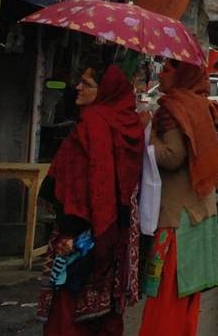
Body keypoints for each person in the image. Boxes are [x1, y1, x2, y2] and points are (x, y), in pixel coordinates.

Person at [38, 64, 144, 335]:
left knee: (69, 314)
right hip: (112, 233)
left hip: (86, 232)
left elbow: (98, 182)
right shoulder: (123, 121)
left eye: (87, 83)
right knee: (102, 316)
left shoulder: (95, 124)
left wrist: (76, 232)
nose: (78, 87)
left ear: (104, 91)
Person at [138, 60, 218, 336]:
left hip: (177, 217)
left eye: (167, 70)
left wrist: (147, 133)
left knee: (167, 292)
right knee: (186, 292)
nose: (161, 75)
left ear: (182, 74)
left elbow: (173, 156)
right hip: (199, 212)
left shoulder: (175, 109)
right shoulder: (199, 105)